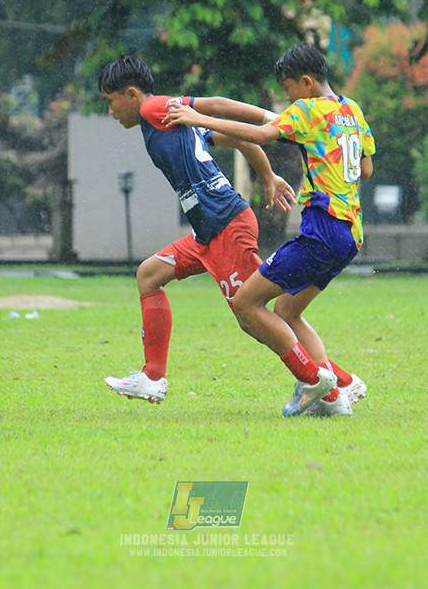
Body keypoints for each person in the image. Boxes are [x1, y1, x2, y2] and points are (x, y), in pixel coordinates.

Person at [163, 43, 375, 417]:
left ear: (306, 82)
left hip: (322, 230)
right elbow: (366, 168)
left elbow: (261, 135)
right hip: (351, 234)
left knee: (246, 302)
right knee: (287, 309)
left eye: (289, 89)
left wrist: (199, 119)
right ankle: (335, 393)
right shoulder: (351, 109)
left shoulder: (308, 110)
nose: (287, 98)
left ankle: (313, 381)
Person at [98, 54, 298, 406]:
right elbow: (240, 140)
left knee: (257, 314)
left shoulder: (152, 109)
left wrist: (274, 120)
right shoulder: (171, 124)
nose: (111, 112)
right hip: (208, 234)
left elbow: (217, 105)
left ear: (131, 94)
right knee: (149, 275)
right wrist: (267, 177)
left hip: (226, 227)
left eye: (110, 101)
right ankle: (152, 378)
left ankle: (328, 380)